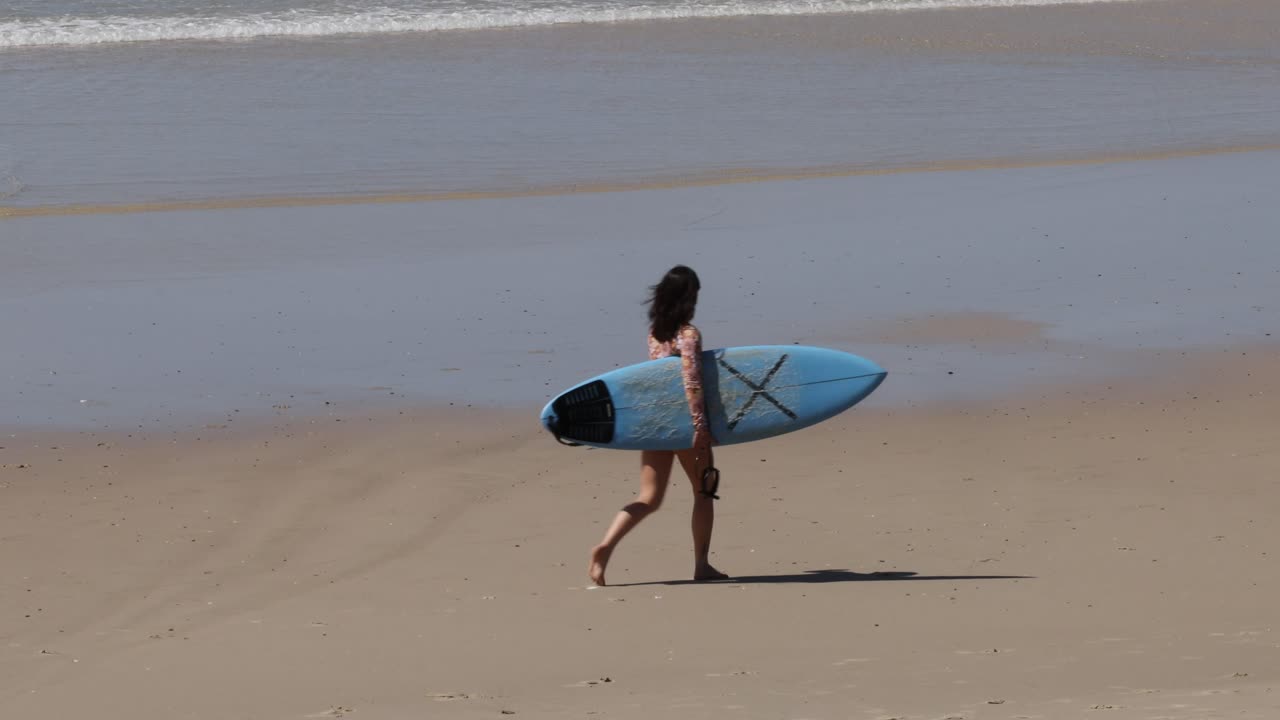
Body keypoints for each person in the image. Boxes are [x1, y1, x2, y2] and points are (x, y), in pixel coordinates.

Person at [588, 265, 729, 586]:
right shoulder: (688, 335)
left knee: (649, 497)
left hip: (653, 422)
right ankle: (702, 565)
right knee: (704, 492)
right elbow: (690, 380)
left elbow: (656, 378)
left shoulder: (655, 333)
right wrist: (700, 426)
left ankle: (605, 548)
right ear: (688, 297)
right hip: (682, 423)